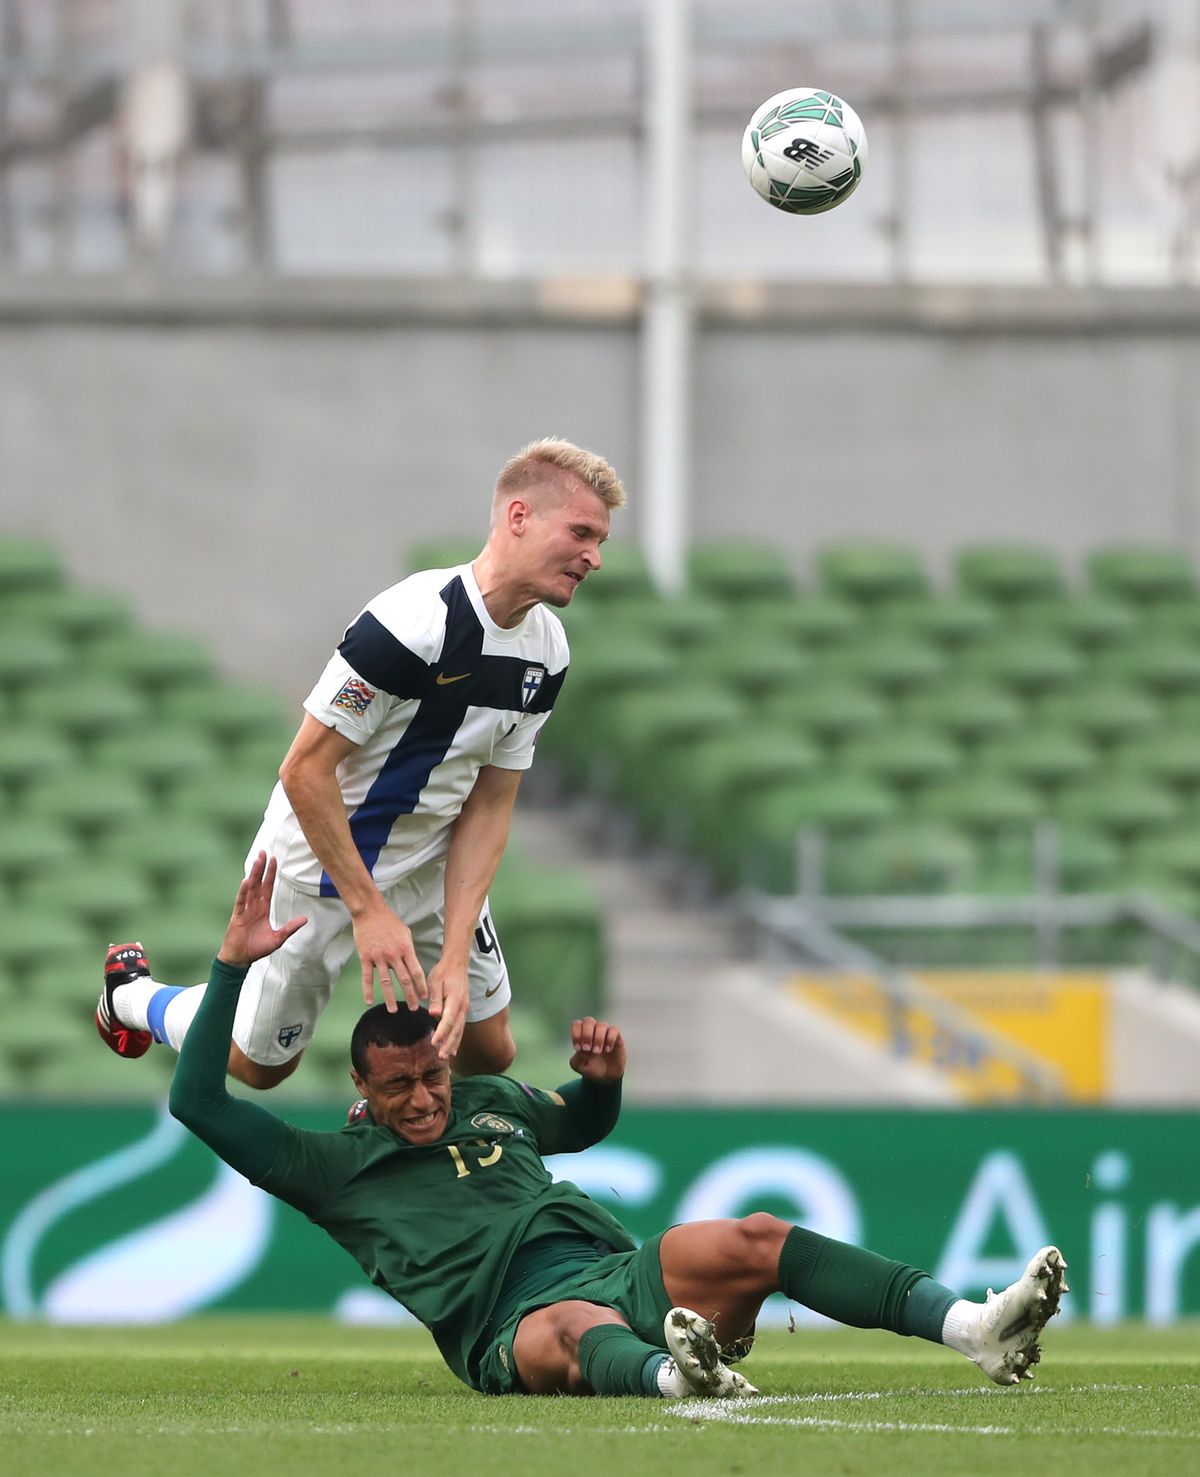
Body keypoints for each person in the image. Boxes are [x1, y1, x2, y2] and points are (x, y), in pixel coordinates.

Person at [167, 852, 1070, 1399]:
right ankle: (679, 1377)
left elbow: (579, 1126)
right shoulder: (330, 1167)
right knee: (567, 1322)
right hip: (503, 1325)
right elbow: (197, 1102)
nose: (423, 1097)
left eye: (432, 1073)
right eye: (398, 1085)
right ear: (361, 1083)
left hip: (615, 1268)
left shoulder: (488, 1101)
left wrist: (602, 1085)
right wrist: (229, 968)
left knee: (754, 1234)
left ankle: (972, 1327)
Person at [96, 437, 625, 1087]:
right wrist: (369, 909)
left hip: (428, 865)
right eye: (582, 533)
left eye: (600, 540)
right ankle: (130, 997)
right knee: (260, 1067)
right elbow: (304, 771)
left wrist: (453, 956)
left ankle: (407, 1135)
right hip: (320, 865)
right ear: (519, 517)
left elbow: (491, 802)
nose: (595, 557)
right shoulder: (409, 625)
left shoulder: (548, 652)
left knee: (489, 1050)